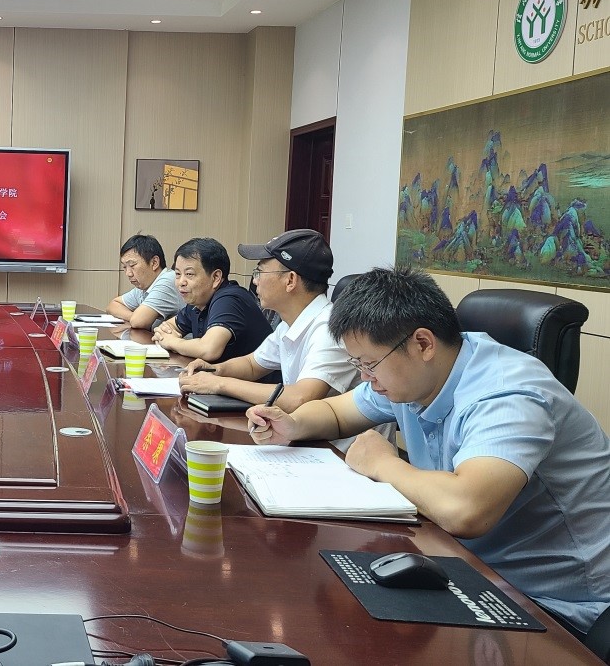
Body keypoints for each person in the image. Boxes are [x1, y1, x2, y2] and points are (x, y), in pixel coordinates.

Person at [248, 267, 610, 635]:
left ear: (422, 343)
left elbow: (466, 510)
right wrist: (292, 424)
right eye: (358, 365)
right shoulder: (416, 377)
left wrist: (383, 464)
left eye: (369, 364)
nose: (366, 378)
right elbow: (336, 413)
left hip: (560, 604)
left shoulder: (508, 395)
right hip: (467, 566)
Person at [177, 229, 386, 449]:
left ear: (290, 280)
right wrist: (214, 370)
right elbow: (252, 364)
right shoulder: (290, 322)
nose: (255, 281)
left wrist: (218, 384)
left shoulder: (328, 328)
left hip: (340, 454)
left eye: (259, 272)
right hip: (301, 441)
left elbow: (300, 398)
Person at [153, 237, 271, 362]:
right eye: (177, 274)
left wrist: (173, 342)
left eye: (189, 274)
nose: (181, 282)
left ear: (216, 277)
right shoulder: (198, 302)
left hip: (255, 375)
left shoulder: (230, 300)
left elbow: (209, 350)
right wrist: (166, 335)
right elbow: (168, 326)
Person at [106, 234, 185, 329]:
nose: (128, 273)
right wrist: (133, 316)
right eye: (124, 267)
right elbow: (113, 305)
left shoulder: (168, 280)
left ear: (154, 263)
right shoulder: (145, 285)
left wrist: (136, 318)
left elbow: (138, 322)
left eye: (132, 265)